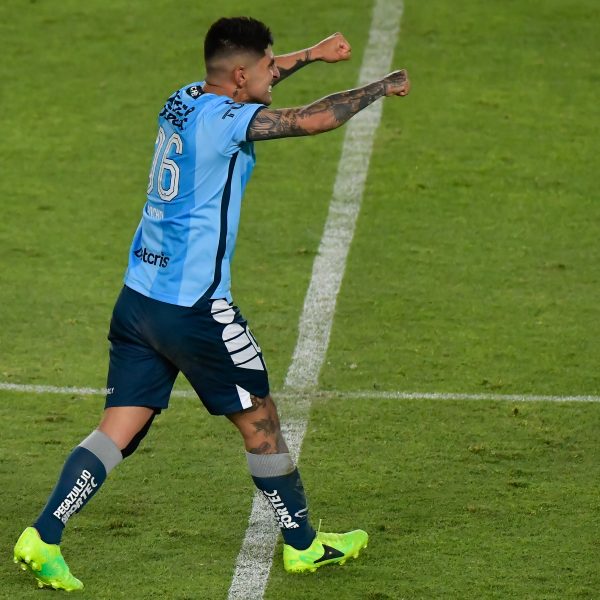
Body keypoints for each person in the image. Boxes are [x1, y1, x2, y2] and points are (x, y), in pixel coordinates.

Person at [13, 16, 410, 591]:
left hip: (139, 300)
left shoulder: (182, 99)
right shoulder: (229, 123)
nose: (274, 72)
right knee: (260, 419)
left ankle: (44, 535)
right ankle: (304, 546)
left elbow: (253, 81)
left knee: (117, 428)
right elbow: (311, 119)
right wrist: (380, 86)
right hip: (194, 310)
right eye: (268, 65)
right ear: (242, 75)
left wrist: (312, 54)